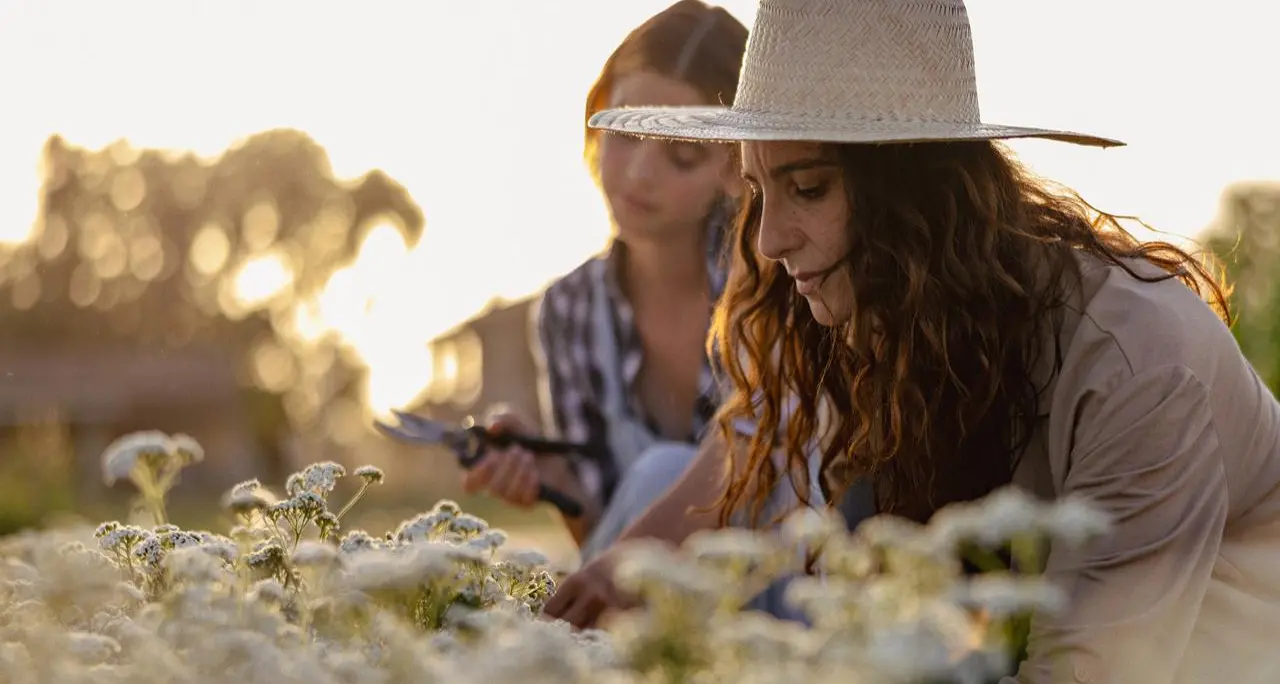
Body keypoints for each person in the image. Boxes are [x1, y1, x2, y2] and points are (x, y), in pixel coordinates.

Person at [544, 1, 1280, 682]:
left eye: (807, 188)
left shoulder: (1136, 363)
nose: (768, 240)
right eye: (758, 191)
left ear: (920, 193)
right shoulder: (880, 324)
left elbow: (1085, 671)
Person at [461, 1, 749, 563]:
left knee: (664, 470)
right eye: (623, 131)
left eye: (684, 153)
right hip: (654, 608)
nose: (640, 174)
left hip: (776, 586)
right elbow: (605, 540)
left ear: (737, 164)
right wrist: (555, 478)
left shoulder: (770, 279)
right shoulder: (567, 311)